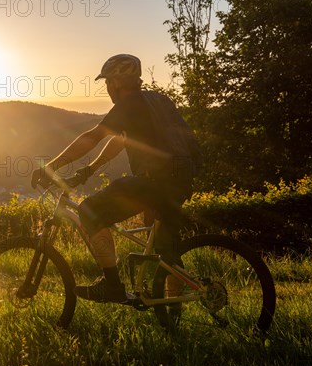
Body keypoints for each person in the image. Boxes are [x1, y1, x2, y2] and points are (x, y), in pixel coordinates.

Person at [31, 54, 201, 303]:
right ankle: (172, 310)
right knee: (166, 251)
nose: (107, 88)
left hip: (156, 180)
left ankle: (112, 286)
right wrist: (89, 169)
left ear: (116, 83)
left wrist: (52, 167)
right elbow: (122, 140)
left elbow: (94, 136)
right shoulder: (157, 100)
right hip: (182, 178)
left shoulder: (129, 104)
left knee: (90, 210)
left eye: (108, 82)